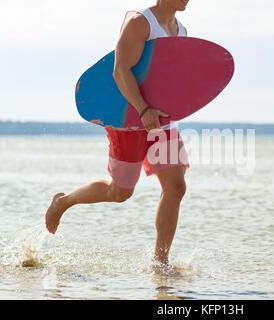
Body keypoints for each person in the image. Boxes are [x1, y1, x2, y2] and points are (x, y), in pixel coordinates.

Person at [45, 0, 190, 274]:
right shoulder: (140, 23)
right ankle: (64, 202)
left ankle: (160, 264)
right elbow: (120, 70)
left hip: (162, 121)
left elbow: (170, 80)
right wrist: (143, 109)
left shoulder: (181, 31)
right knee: (120, 191)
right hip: (129, 119)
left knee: (176, 187)